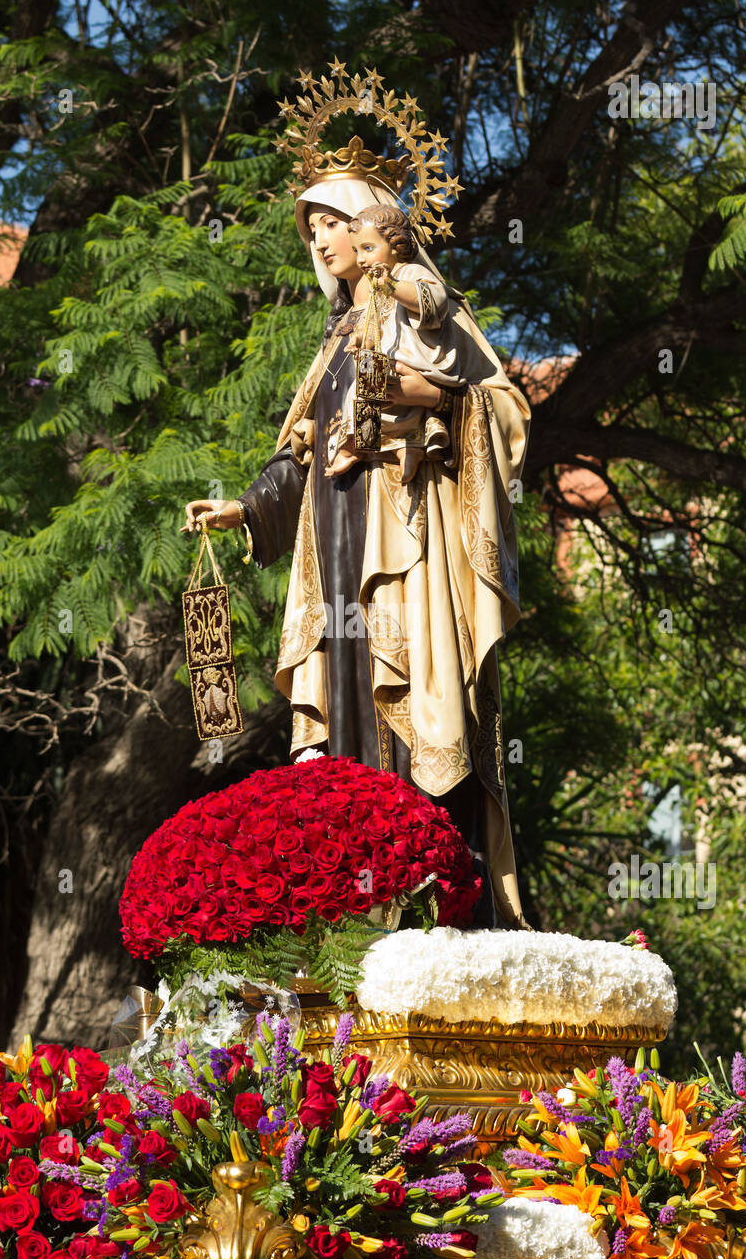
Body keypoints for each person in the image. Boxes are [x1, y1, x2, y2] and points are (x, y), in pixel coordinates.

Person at [184, 143, 531, 930]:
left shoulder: (424, 307)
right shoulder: (335, 341)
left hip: (407, 537)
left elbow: (502, 410)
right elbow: (299, 450)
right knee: (346, 696)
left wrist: (436, 405)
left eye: (333, 223)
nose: (321, 241)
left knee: (415, 689)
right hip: (337, 538)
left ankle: (439, 891)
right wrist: (247, 508)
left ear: (375, 230)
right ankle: (356, 897)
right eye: (312, 230)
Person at [325, 204, 466, 486]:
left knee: (398, 401)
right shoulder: (375, 292)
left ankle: (409, 446)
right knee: (364, 386)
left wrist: (391, 286)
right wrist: (357, 341)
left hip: (418, 359)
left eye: (368, 248)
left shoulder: (409, 272)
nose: (362, 260)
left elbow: (434, 301)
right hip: (387, 359)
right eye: (357, 251)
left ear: (395, 244)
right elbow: (371, 328)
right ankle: (362, 442)